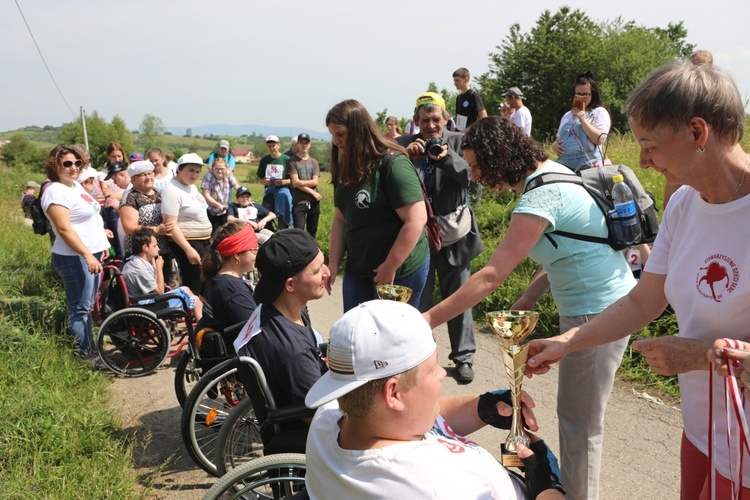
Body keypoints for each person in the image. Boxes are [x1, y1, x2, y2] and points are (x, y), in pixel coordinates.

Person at [526, 61, 750, 500]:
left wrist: (703, 355)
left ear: (698, 133)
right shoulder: (686, 204)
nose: (643, 161)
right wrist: (569, 341)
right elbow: (643, 301)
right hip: (703, 433)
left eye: (649, 144)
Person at [421, 116, 636, 499]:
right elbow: (564, 250)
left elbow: (490, 276)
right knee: (576, 420)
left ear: (497, 156)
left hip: (596, 311)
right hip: (600, 304)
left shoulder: (539, 196)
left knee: (580, 426)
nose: (472, 175)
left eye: (474, 165)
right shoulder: (554, 174)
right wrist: (525, 301)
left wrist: (428, 319)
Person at [305, 300, 565, 499]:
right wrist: (547, 486)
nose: (442, 374)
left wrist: (483, 407)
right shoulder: (439, 489)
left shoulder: (328, 419)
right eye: (432, 369)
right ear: (393, 393)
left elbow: (414, 415)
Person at [397, 92, 483, 383]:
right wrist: (407, 158)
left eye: (436, 119)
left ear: (446, 119)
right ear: (415, 122)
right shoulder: (403, 145)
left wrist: (446, 159)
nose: (431, 126)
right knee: (420, 299)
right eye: (425, 120)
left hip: (453, 235)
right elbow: (387, 177)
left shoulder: (459, 142)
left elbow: (471, 177)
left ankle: (463, 358)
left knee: (458, 297)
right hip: (416, 236)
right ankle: (421, 358)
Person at [325, 99, 430, 311]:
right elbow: (340, 219)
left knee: (392, 337)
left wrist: (390, 265)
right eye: (332, 135)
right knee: (357, 335)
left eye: (341, 134)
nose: (336, 141)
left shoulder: (392, 163)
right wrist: (334, 263)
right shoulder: (346, 166)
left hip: (400, 271)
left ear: (358, 130)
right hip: (359, 268)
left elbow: (416, 219)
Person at [233, 228, 329, 413]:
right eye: (317, 271)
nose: (326, 273)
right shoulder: (294, 352)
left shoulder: (271, 309)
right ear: (290, 284)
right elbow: (317, 417)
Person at [41, 145, 110, 362]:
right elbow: (63, 229)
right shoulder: (55, 191)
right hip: (74, 257)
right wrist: (88, 255)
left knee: (88, 306)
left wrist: (101, 242)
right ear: (55, 166)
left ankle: (91, 349)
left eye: (77, 163)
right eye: (67, 164)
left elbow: (90, 216)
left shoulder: (75, 186)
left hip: (91, 254)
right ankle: (84, 356)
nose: (74, 168)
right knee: (80, 308)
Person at [663, 50, 714, 211]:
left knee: (701, 202)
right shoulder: (679, 91)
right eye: (695, 66)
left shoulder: (715, 93)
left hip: (705, 152)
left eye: (703, 68)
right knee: (671, 204)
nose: (698, 71)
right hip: (680, 151)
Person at [198, 220, 259, 346]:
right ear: (237, 255)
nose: (257, 253)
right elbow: (257, 334)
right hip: (238, 357)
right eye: (254, 249)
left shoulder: (217, 279)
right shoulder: (233, 290)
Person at [122, 227, 202, 321]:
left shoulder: (138, 262)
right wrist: (159, 269)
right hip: (147, 306)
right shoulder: (138, 268)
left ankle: (198, 322)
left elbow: (154, 286)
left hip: (147, 301)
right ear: (145, 247)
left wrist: (154, 266)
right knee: (196, 300)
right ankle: (202, 330)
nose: (158, 249)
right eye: (155, 246)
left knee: (186, 289)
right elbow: (160, 292)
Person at [161, 153, 213, 295]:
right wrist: (188, 249)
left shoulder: (190, 187)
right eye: (190, 170)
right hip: (189, 242)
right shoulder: (172, 191)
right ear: (179, 169)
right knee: (194, 282)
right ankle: (191, 314)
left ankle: (201, 312)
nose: (194, 175)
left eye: (197, 172)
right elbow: (170, 226)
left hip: (202, 241)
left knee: (205, 280)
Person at [119, 160, 174, 286]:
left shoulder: (157, 193)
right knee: (151, 289)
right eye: (143, 175)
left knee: (165, 284)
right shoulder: (130, 198)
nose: (148, 177)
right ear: (133, 179)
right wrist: (155, 230)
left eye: (150, 173)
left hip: (162, 250)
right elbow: (129, 228)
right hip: (142, 253)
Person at [551, 72, 610, 171]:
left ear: (593, 95)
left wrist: (583, 121)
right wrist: (554, 145)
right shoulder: (567, 115)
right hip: (564, 163)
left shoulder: (598, 112)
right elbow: (559, 139)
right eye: (578, 94)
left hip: (588, 163)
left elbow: (600, 140)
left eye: (586, 94)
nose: (582, 98)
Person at [288, 133, 322, 238]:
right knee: (299, 232)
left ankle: (313, 253)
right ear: (297, 144)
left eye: (306, 143)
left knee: (312, 232)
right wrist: (313, 192)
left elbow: (315, 182)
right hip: (299, 201)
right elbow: (295, 183)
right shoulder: (292, 161)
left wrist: (300, 182)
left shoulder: (314, 162)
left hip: (314, 201)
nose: (304, 145)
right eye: (301, 143)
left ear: (310, 144)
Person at [256, 135, 293, 228]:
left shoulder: (286, 159)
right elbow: (259, 179)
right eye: (269, 146)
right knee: (266, 214)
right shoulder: (264, 160)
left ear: (279, 145)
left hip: (283, 191)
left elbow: (293, 179)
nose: (272, 148)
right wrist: (265, 182)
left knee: (283, 215)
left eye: (274, 145)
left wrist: (283, 182)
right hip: (269, 192)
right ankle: (270, 234)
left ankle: (283, 232)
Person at [201, 157, 239, 232]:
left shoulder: (228, 174)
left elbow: (237, 187)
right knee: (215, 231)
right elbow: (206, 194)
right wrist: (218, 205)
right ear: (213, 168)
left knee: (226, 231)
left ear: (226, 168)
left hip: (225, 209)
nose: (220, 171)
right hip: (211, 210)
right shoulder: (209, 175)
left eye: (222, 169)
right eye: (217, 169)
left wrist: (244, 196)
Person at [452, 67, 487, 132]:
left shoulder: (473, 95)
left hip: (472, 134)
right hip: (461, 135)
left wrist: (468, 130)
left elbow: (483, 118)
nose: (455, 83)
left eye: (457, 80)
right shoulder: (459, 98)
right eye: (454, 80)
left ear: (466, 79)